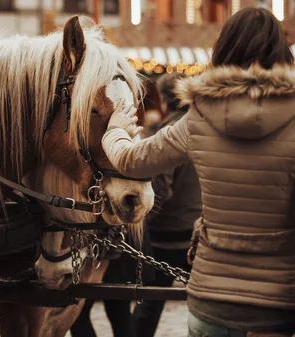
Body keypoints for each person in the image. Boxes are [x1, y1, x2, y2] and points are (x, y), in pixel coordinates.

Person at [101, 7, 295, 336]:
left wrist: (114, 130)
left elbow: (132, 160)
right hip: (279, 305)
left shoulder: (198, 116)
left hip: (211, 300)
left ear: (223, 52)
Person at [131, 72, 201, 337]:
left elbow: (160, 190)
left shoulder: (169, 133)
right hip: (197, 230)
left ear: (163, 99)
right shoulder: (205, 129)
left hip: (168, 234)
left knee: (150, 304)